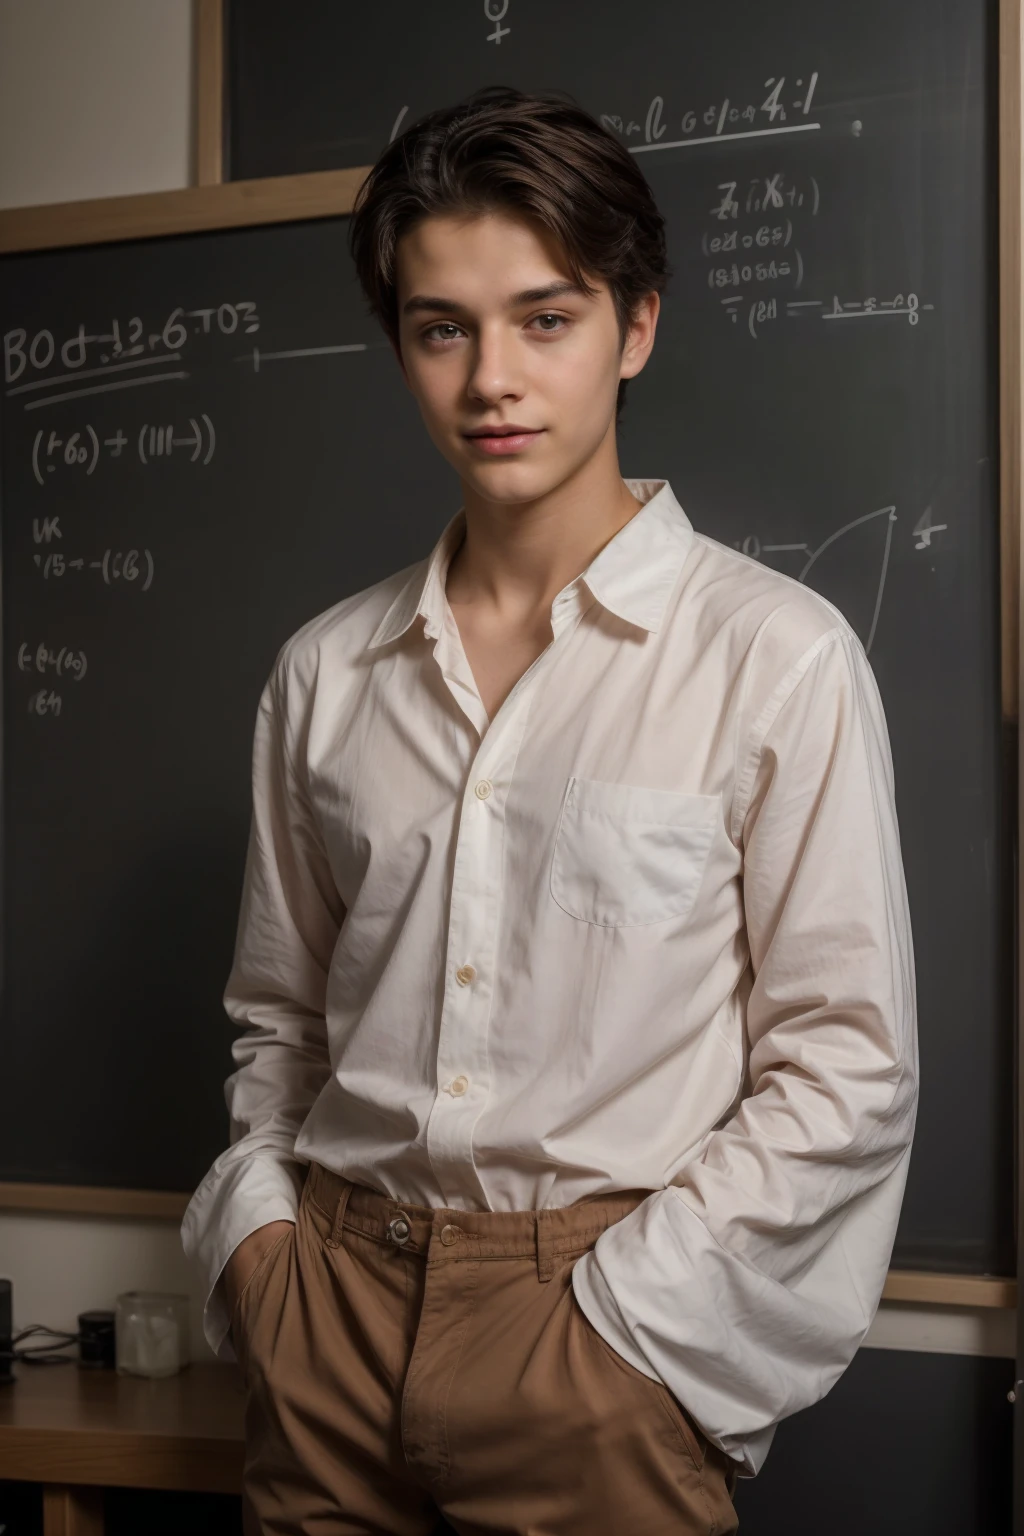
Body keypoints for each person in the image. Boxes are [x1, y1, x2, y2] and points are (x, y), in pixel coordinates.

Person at [181, 84, 919, 1536]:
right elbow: (281, 1018)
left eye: (546, 318)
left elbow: (847, 1065)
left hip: (592, 1336)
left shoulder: (776, 658)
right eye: (441, 328)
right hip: (326, 1311)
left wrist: (627, 1326)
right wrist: (263, 1249)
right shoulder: (325, 673)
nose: (491, 380)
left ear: (634, 327)